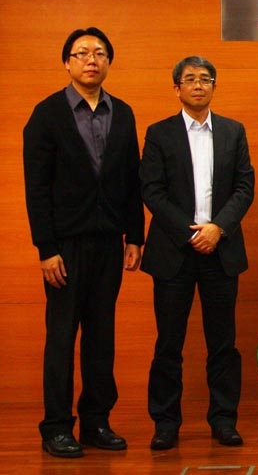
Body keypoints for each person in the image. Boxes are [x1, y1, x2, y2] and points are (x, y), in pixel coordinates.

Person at [23, 27, 145, 458]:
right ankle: (56, 426)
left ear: (109, 62)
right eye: (82, 53)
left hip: (109, 241)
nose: (91, 60)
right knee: (61, 337)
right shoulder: (47, 114)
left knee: (101, 335)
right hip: (65, 247)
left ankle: (96, 421)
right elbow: (36, 188)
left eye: (99, 53)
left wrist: (135, 236)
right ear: (67, 63)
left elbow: (132, 178)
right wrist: (46, 248)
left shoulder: (123, 113)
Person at [140, 56, 255, 450]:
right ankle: (165, 423)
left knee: (223, 342)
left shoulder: (233, 131)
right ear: (177, 88)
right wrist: (190, 233)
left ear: (214, 86)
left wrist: (217, 228)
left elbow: (244, 187)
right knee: (168, 343)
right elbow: (151, 190)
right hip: (175, 251)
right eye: (189, 79)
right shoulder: (159, 133)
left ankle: (223, 420)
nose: (198, 85)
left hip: (221, 249)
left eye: (206, 79)